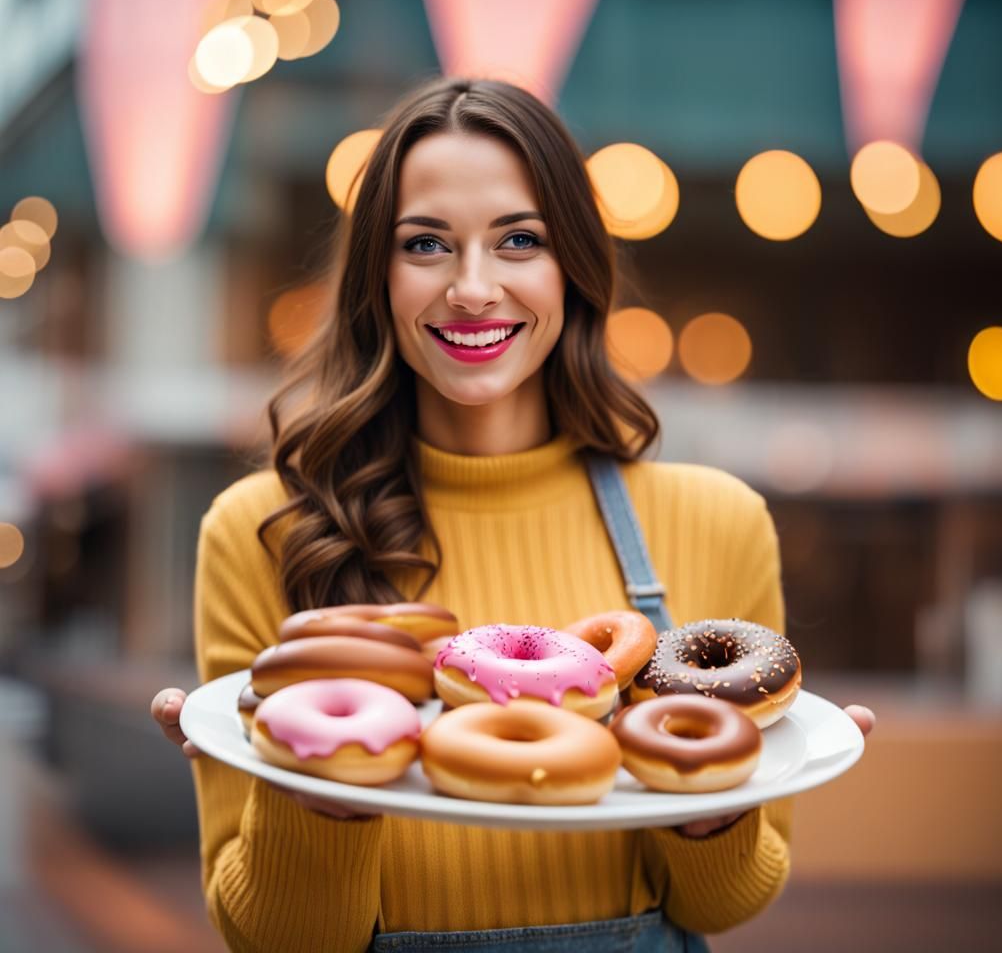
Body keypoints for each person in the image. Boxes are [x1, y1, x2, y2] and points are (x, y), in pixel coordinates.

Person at [152, 76, 874, 953]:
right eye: (425, 244)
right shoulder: (265, 529)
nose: (472, 287)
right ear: (377, 276)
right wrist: (309, 800)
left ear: (571, 263)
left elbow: (726, 904)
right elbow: (273, 935)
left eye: (519, 240)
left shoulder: (716, 520)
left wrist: (711, 808)